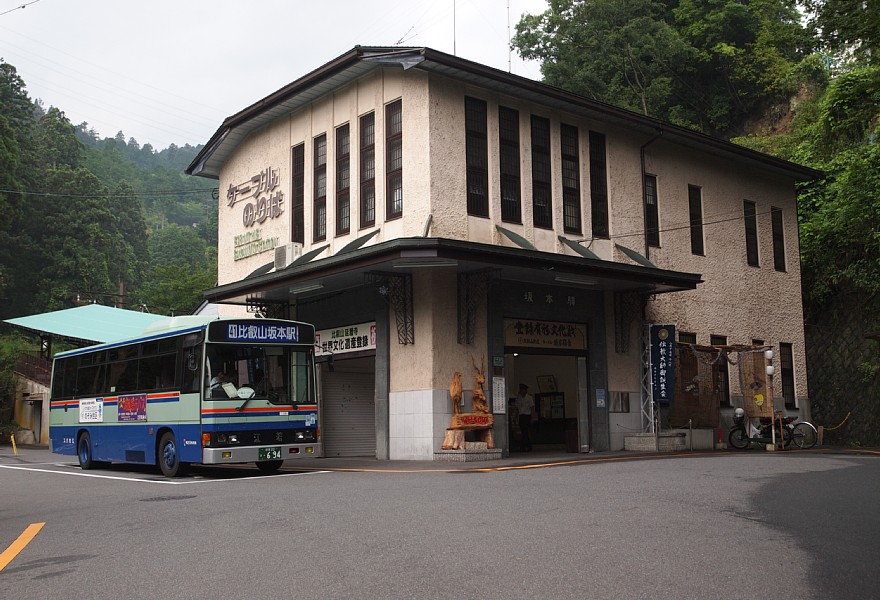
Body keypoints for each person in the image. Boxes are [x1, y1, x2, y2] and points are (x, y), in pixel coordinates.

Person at [515, 383, 537, 452]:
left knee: (526, 432)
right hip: (521, 416)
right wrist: (516, 417)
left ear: (525, 390)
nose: (521, 391)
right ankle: (524, 446)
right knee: (522, 431)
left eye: (523, 390)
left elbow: (532, 407)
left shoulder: (529, 398)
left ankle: (528, 446)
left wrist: (532, 417)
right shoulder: (518, 398)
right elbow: (517, 408)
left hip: (527, 416)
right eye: (520, 390)